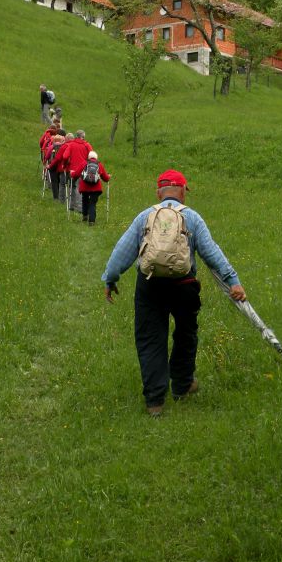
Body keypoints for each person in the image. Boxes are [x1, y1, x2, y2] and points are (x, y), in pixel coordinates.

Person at [101, 169, 246, 417]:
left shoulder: (145, 217)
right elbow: (212, 253)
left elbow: (122, 252)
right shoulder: (192, 218)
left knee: (150, 339)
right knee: (186, 335)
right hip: (184, 285)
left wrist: (111, 278)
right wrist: (233, 280)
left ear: (159, 192)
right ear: (182, 191)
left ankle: (155, 402)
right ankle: (182, 384)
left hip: (149, 285)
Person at [54, 129, 93, 213]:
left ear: (76, 136)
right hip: (84, 170)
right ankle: (80, 207)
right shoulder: (87, 145)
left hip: (72, 170)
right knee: (81, 187)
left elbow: (65, 156)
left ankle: (72, 205)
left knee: (73, 187)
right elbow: (92, 157)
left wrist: (64, 164)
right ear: (83, 137)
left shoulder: (71, 145)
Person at [71, 150, 110, 225]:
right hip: (96, 188)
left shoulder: (84, 163)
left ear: (89, 157)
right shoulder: (99, 165)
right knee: (92, 203)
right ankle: (92, 221)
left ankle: (85, 216)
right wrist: (109, 177)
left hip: (84, 187)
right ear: (96, 157)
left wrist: (72, 173)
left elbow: (76, 174)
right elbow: (105, 178)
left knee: (84, 200)